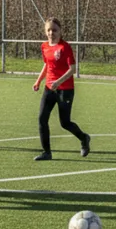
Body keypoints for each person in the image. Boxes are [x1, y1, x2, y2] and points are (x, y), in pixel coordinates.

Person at [32, 17, 90, 162]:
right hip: (49, 88)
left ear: (60, 31)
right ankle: (47, 152)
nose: (52, 33)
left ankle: (84, 138)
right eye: (49, 30)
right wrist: (38, 81)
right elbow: (46, 65)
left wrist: (58, 82)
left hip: (65, 89)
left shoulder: (65, 47)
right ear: (45, 32)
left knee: (65, 123)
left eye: (55, 30)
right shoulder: (44, 46)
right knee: (41, 119)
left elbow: (72, 69)